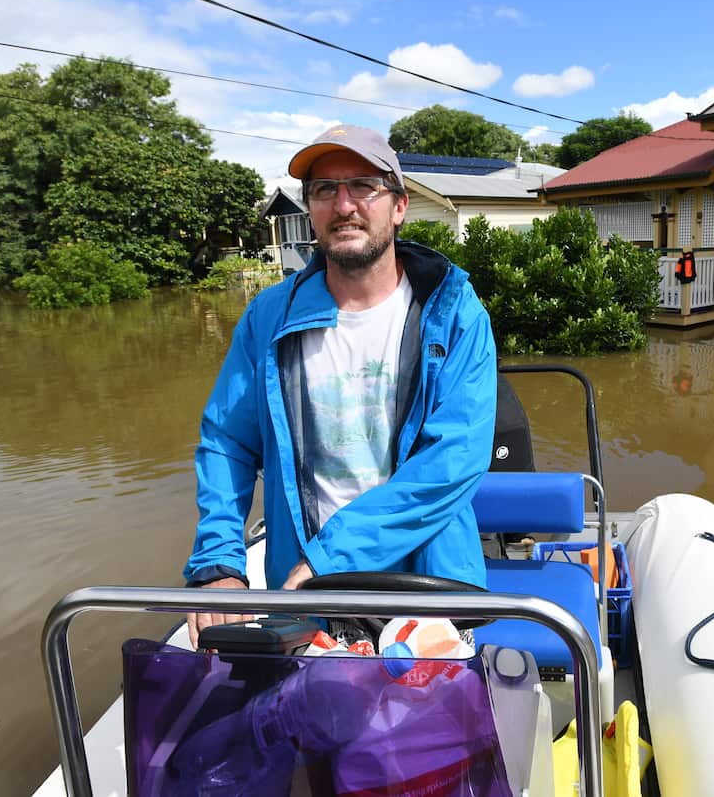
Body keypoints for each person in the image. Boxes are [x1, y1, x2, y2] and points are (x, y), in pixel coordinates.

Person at [183, 125, 497, 647]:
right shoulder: (268, 316)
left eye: (363, 186)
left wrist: (330, 556)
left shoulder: (455, 313)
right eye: (324, 189)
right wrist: (218, 560)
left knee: (428, 725)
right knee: (308, 724)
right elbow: (227, 443)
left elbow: (453, 462)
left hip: (428, 584)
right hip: (308, 591)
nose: (343, 203)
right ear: (311, 208)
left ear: (399, 205)